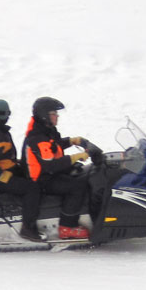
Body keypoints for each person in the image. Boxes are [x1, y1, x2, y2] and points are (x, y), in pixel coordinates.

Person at [22, 96, 102, 241]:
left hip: (50, 173)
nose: (57, 116)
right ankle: (67, 227)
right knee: (76, 186)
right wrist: (76, 157)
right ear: (44, 115)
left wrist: (72, 141)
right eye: (53, 113)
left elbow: (54, 144)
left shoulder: (45, 129)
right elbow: (50, 164)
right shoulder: (37, 137)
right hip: (41, 179)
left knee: (82, 174)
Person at [0, 99, 43, 242]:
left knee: (31, 176)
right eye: (5, 114)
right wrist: (4, 176)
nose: (6, 117)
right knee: (32, 188)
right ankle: (28, 228)